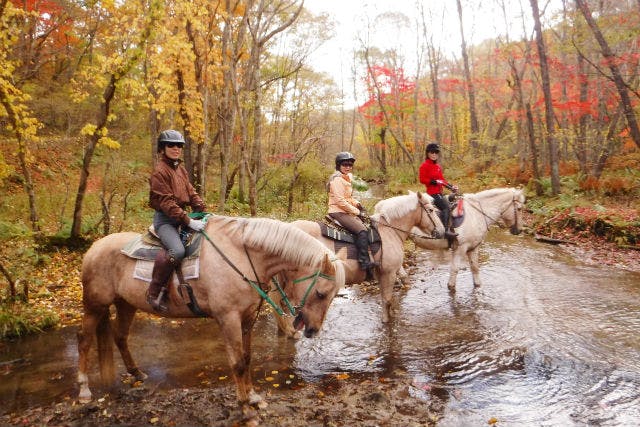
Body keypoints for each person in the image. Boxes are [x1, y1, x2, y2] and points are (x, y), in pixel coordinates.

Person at [147, 129, 207, 312]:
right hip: (166, 220)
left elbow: (190, 191)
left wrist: (202, 210)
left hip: (181, 217)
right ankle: (153, 292)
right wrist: (188, 221)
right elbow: (166, 202)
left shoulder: (180, 169)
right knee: (177, 251)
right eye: (171, 145)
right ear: (162, 148)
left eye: (179, 145)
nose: (176, 148)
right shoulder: (159, 172)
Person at [327, 152, 375, 278]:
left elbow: (348, 198)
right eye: (344, 164)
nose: (348, 167)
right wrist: (357, 212)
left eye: (350, 165)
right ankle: (364, 262)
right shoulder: (337, 180)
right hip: (338, 211)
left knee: (368, 224)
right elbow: (340, 201)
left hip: (344, 209)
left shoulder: (346, 178)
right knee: (362, 230)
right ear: (339, 165)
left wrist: (357, 203)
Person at [419, 142, 459, 239]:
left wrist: (451, 187)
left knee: (454, 202)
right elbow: (422, 179)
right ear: (427, 153)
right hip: (432, 193)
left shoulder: (437, 167)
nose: (434, 154)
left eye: (436, 152)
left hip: (439, 192)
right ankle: (446, 231)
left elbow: (442, 180)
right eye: (432, 152)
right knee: (446, 208)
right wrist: (433, 181)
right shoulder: (424, 166)